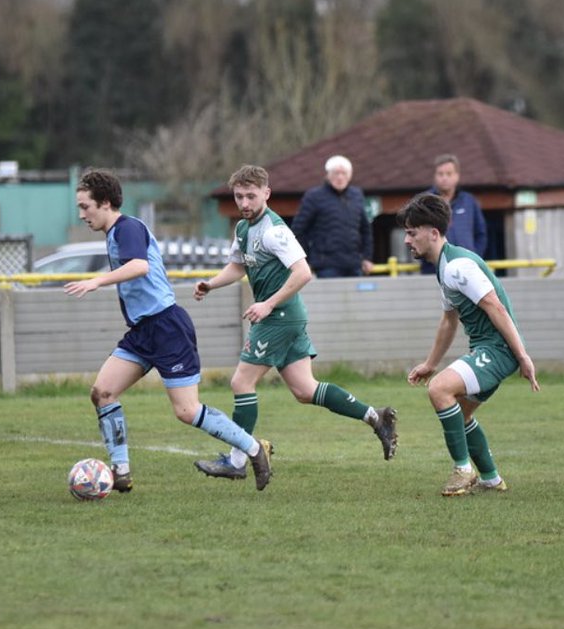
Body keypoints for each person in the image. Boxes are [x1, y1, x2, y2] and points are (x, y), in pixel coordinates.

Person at [63, 168, 273, 492]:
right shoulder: (113, 232)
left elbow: (139, 265)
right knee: (102, 393)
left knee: (187, 411)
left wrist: (96, 281)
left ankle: (254, 449)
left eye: (85, 206)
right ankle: (120, 472)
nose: (81, 214)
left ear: (105, 203)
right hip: (142, 331)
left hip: (167, 327)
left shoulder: (127, 228)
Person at [191, 164, 398, 479]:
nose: (244, 203)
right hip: (285, 315)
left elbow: (303, 272)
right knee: (305, 390)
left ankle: (235, 463)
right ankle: (376, 417)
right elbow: (237, 266)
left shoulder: (275, 230)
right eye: (239, 197)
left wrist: (268, 304)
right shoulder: (244, 229)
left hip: (280, 316)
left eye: (251, 196)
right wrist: (211, 283)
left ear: (266, 194)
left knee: (241, 382)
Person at [399, 192, 540, 497]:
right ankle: (490, 479)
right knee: (460, 415)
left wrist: (522, 356)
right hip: (489, 349)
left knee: (439, 389)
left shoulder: (457, 267)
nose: (407, 240)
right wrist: (430, 363)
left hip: (497, 350)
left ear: (433, 233)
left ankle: (463, 470)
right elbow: (449, 320)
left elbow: (495, 307)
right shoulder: (445, 265)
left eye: (412, 233)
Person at [290, 155, 374, 278]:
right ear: (328, 175)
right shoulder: (314, 197)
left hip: (354, 264)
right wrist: (305, 260)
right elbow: (298, 230)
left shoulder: (357, 195)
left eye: (343, 173)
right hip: (326, 265)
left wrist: (367, 257)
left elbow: (366, 230)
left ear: (349, 175)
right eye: (336, 173)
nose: (340, 177)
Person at [418, 154, 487, 274]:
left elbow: (481, 234)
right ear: (435, 176)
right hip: (433, 270)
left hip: (467, 269)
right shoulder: (424, 202)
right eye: (440, 174)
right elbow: (415, 234)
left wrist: (474, 257)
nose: (444, 178)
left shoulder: (469, 201)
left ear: (457, 176)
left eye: (449, 174)